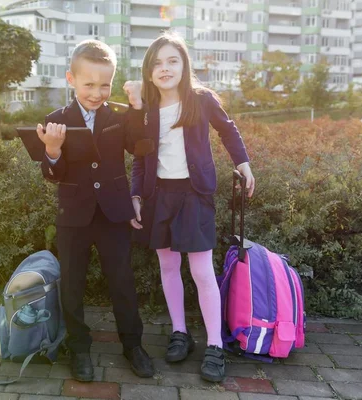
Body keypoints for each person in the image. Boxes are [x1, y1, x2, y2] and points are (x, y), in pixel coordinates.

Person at [130, 32, 255, 382]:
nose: (164, 68)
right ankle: (180, 333)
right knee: (168, 265)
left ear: (184, 64)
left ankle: (214, 344)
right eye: (157, 63)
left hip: (195, 194)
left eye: (172, 60)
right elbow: (140, 159)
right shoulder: (146, 110)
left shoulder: (201, 100)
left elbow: (228, 131)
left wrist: (243, 163)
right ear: (148, 71)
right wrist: (136, 195)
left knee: (201, 271)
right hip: (159, 197)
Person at [36, 40, 154, 382]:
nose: (97, 92)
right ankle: (79, 347)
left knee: (122, 281)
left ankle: (133, 345)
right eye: (89, 84)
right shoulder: (56, 120)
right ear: (71, 78)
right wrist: (53, 150)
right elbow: (50, 174)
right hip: (73, 216)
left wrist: (137, 107)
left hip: (114, 214)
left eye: (105, 85)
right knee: (71, 284)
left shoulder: (120, 114)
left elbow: (141, 146)